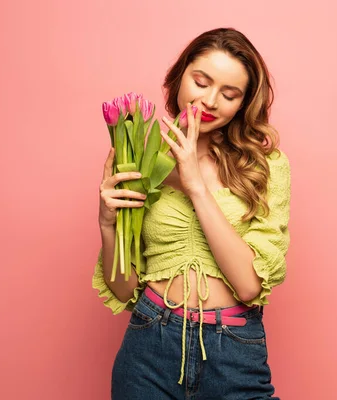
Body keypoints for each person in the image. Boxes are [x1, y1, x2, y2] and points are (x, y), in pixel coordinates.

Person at [93, 27, 291, 400]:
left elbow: (249, 286)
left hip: (232, 349)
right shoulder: (140, 156)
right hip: (149, 346)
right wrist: (106, 223)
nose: (211, 101)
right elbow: (122, 288)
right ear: (180, 76)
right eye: (201, 82)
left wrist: (196, 185)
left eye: (229, 94)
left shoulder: (265, 166)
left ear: (242, 103)